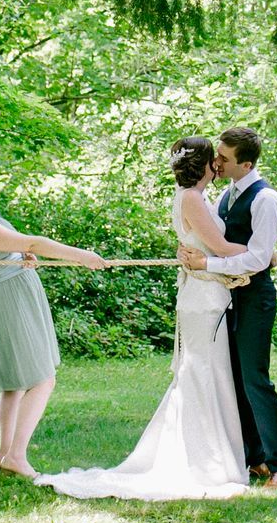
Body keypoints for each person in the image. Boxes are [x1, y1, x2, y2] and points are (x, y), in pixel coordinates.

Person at [38, 137, 252, 500]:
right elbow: (219, 247)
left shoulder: (193, 197)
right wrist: (262, 253)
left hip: (205, 292)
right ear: (202, 165)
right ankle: (205, 464)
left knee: (206, 371)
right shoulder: (192, 198)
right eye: (213, 159)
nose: (218, 164)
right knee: (202, 372)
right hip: (203, 297)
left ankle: (215, 457)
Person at [0, 159, 107, 478]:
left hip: (15, 297)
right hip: (5, 303)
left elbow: (12, 245)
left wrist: (18, 255)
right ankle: (17, 456)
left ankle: (4, 454)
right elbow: (32, 240)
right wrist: (82, 256)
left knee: (15, 382)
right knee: (42, 379)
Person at [179, 126, 277, 491]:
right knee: (236, 379)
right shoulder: (226, 195)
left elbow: (259, 259)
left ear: (246, 164)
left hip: (255, 298)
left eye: (224, 158)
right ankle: (255, 457)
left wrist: (207, 264)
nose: (217, 162)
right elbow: (217, 240)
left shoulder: (265, 199)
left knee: (256, 379)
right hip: (224, 298)